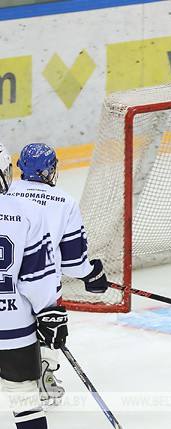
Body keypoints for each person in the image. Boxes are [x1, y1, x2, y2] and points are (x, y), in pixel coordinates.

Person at [7, 143, 107, 406]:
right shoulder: (65, 202)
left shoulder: (7, 194)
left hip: (6, 285)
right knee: (48, 329)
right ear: (48, 170)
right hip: (43, 282)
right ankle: (44, 375)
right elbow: (74, 262)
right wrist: (91, 274)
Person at [0, 143, 68, 429]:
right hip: (12, 325)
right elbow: (36, 276)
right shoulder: (26, 212)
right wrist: (48, 313)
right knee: (23, 397)